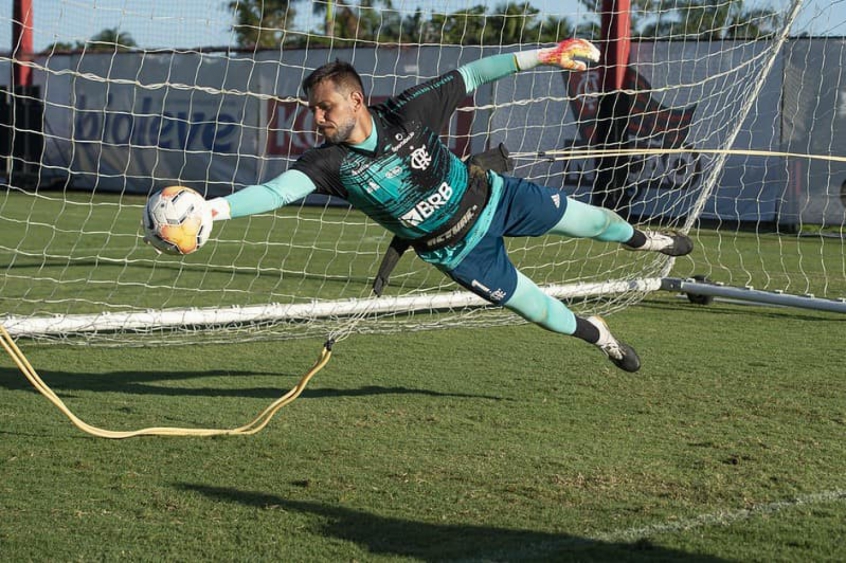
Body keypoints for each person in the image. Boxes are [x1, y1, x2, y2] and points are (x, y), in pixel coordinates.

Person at [205, 39, 693, 372]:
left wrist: (547, 55)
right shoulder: (328, 161)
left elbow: (475, 72)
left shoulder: (407, 111)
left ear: (355, 100)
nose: (316, 117)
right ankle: (599, 334)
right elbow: (275, 192)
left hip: (496, 198)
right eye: (312, 108)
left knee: (595, 221)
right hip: (459, 253)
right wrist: (212, 211)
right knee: (541, 312)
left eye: (323, 106)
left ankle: (645, 240)